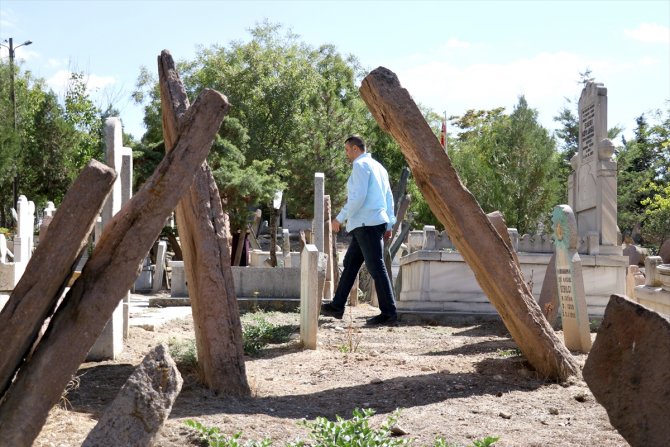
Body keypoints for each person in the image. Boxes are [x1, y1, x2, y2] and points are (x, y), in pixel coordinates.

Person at [320, 135, 398, 325]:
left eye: (347, 150)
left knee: (376, 267)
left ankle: (389, 313)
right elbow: (389, 197)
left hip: (367, 223)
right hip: (371, 223)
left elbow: (358, 197)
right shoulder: (379, 167)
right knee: (351, 264)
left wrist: (339, 217)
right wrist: (389, 223)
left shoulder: (360, 165)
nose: (346, 154)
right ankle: (337, 306)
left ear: (355, 149)